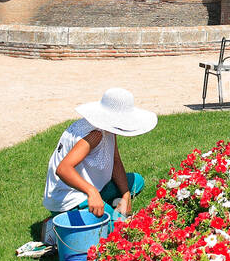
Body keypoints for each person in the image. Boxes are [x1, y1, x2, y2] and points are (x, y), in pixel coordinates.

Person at [43, 87, 157, 228]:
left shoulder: (108, 129)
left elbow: (115, 161)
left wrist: (126, 195)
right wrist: (92, 192)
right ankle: (57, 223)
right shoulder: (93, 136)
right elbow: (63, 169)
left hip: (94, 186)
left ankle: (105, 205)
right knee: (120, 227)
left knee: (136, 181)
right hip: (70, 198)